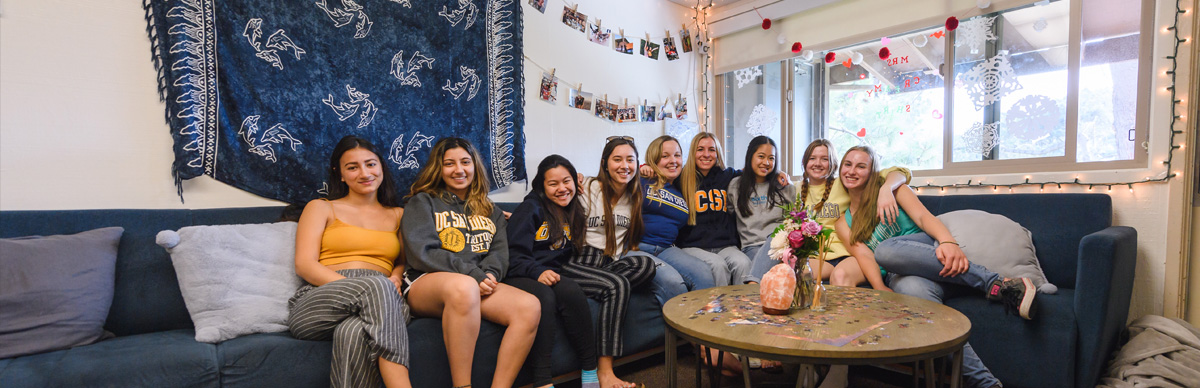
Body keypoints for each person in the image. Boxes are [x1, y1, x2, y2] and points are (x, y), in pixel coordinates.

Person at [835, 145, 1037, 388]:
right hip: (900, 275)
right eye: (848, 164)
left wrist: (947, 241)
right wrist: (880, 287)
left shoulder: (894, 190)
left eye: (861, 166)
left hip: (925, 254)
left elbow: (924, 218)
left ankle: (995, 282)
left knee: (885, 250)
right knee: (912, 292)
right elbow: (863, 255)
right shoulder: (843, 221)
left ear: (872, 171)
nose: (852, 171)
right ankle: (986, 383)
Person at [401, 137, 540, 388]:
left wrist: (488, 275)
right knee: (463, 288)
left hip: (475, 283)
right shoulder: (422, 202)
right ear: (438, 169)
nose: (459, 169)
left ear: (475, 166)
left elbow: (499, 251)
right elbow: (423, 252)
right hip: (426, 281)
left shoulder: (490, 210)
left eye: (465, 162)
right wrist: (472, 274)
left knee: (529, 306)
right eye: (449, 164)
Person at [287, 135, 412, 388]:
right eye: (352, 167)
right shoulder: (321, 208)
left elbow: (402, 261)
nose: (364, 173)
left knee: (353, 332)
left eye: (370, 164)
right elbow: (304, 264)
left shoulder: (399, 214)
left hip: (386, 298)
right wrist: (360, 289)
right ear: (340, 174)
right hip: (322, 297)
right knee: (377, 287)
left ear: (381, 167)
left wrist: (397, 276)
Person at [505, 155, 626, 388]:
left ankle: (590, 373)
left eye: (567, 181)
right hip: (521, 272)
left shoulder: (572, 208)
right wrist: (536, 271)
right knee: (546, 298)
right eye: (553, 184)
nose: (562, 189)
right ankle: (542, 381)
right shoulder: (530, 209)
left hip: (553, 271)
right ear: (541, 186)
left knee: (571, 291)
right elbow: (512, 254)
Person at [744, 139, 910, 286]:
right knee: (784, 256)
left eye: (825, 159)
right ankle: (753, 287)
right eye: (812, 158)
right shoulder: (795, 189)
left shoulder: (845, 182)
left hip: (847, 253)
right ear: (804, 163)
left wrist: (887, 188)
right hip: (815, 257)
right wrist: (777, 173)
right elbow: (759, 177)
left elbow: (900, 172)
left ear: (833, 164)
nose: (818, 163)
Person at [567, 137, 657, 388]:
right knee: (616, 285)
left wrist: (648, 168)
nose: (624, 165)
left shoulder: (635, 195)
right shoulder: (589, 187)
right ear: (605, 163)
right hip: (579, 260)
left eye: (630, 159)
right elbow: (552, 192)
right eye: (617, 159)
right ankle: (605, 372)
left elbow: (671, 176)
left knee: (646, 266)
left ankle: (605, 290)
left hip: (609, 263)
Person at [637, 135, 717, 298]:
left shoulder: (681, 186)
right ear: (653, 159)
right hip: (639, 247)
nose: (673, 161)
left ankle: (700, 322)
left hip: (667, 249)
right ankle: (675, 324)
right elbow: (614, 176)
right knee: (674, 283)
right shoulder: (642, 180)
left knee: (704, 272)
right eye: (665, 156)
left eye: (677, 155)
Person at [675, 132, 752, 286]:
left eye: (711, 149)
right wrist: (646, 168)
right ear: (693, 153)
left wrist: (778, 173)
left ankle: (743, 308)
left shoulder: (728, 175)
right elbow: (660, 173)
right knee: (718, 266)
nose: (706, 154)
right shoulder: (681, 178)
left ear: (718, 153)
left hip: (725, 245)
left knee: (743, 262)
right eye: (700, 149)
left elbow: (754, 173)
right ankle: (718, 309)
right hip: (692, 246)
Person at [727, 136, 796, 271]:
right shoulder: (736, 186)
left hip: (781, 247)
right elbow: (729, 217)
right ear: (750, 156)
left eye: (771, 158)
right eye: (761, 156)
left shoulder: (784, 187)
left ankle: (753, 283)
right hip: (751, 247)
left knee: (775, 235)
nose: (766, 162)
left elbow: (796, 221)